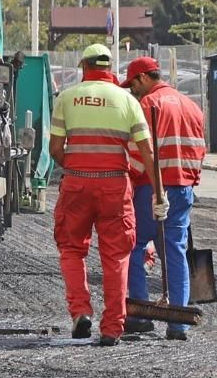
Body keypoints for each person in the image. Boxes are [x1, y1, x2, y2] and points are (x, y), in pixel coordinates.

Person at [49, 44, 165, 347]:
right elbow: (147, 152)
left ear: (84, 66)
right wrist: (158, 194)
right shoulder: (128, 100)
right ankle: (112, 327)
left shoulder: (67, 97)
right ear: (110, 68)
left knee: (72, 249)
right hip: (115, 186)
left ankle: (80, 312)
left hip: (77, 183)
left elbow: (54, 150)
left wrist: (74, 168)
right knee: (116, 256)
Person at [124, 56, 208, 342]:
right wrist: (188, 185)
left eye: (133, 84)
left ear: (145, 78)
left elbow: (139, 152)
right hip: (183, 187)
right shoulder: (192, 107)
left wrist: (132, 181)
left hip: (152, 186)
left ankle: (138, 314)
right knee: (174, 249)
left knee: (133, 244)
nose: (133, 91)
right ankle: (178, 323)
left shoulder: (149, 105)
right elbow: (199, 152)